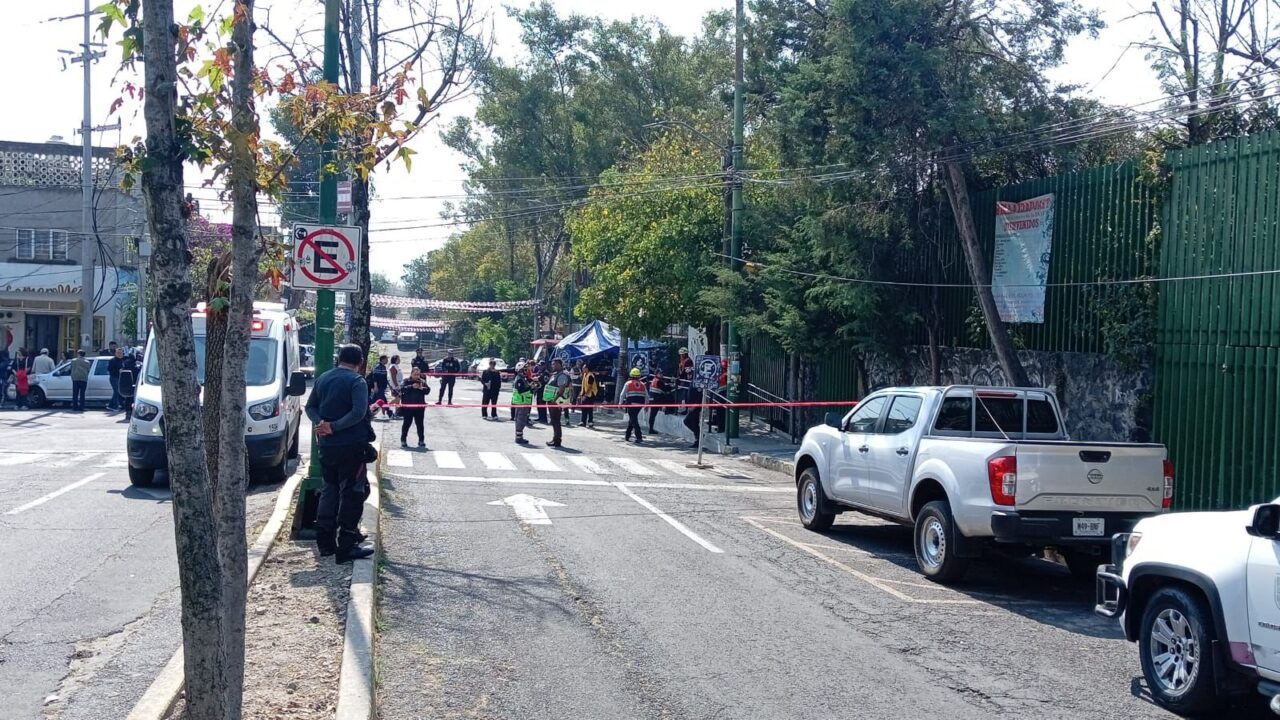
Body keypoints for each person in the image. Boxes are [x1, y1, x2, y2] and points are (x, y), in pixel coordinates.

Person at [305, 344, 375, 563]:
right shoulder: (357, 381)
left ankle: (324, 543)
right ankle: (347, 544)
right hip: (351, 446)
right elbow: (358, 412)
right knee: (353, 493)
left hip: (326, 446)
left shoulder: (323, 378)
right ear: (360, 361)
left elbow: (310, 407)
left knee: (329, 490)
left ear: (339, 358)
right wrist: (334, 426)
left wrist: (322, 424)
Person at [398, 367, 429, 448]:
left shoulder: (422, 381)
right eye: (415, 374)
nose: (416, 376)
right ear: (411, 374)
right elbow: (401, 389)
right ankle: (403, 440)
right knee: (406, 424)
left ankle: (421, 440)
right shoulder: (406, 381)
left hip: (419, 407)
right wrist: (411, 386)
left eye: (418, 374)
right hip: (408, 407)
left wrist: (421, 388)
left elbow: (428, 390)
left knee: (420, 425)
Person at [544, 358, 571, 448]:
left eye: (554, 364)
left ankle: (557, 440)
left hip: (556, 401)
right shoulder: (556, 374)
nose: (553, 366)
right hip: (552, 400)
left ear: (560, 364)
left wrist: (554, 399)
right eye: (552, 364)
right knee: (554, 420)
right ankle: (555, 438)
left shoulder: (562, 375)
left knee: (556, 420)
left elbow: (561, 389)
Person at [511, 362, 534, 444]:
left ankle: (519, 436)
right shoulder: (519, 379)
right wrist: (531, 387)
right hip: (521, 402)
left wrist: (532, 388)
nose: (526, 371)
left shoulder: (523, 378)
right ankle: (519, 438)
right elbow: (521, 391)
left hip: (523, 401)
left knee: (521, 420)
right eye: (525, 369)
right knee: (521, 420)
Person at [623, 367, 647, 443]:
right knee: (632, 419)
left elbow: (622, 394)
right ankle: (627, 435)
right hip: (640, 404)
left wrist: (620, 403)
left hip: (631, 404)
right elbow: (647, 396)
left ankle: (639, 436)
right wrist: (646, 405)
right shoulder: (643, 384)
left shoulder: (628, 383)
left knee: (634, 419)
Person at [648, 368, 671, 434]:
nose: (662, 375)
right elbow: (665, 390)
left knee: (652, 415)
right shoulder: (659, 381)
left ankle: (651, 428)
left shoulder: (654, 380)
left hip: (653, 399)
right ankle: (651, 429)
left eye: (662, 373)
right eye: (660, 373)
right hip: (657, 400)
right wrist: (669, 386)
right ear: (657, 374)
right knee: (653, 415)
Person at [577, 362, 599, 428]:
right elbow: (584, 386)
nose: (582, 369)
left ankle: (590, 422)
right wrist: (581, 394)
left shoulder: (590, 376)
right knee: (584, 408)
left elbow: (589, 386)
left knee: (589, 408)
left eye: (584, 368)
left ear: (587, 368)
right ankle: (583, 421)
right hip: (585, 394)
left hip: (590, 394)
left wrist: (585, 395)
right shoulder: (584, 375)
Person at [107, 347, 125, 411]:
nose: (120, 354)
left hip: (121, 378)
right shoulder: (112, 360)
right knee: (116, 391)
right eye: (118, 353)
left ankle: (121, 405)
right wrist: (118, 370)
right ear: (115, 353)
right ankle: (112, 406)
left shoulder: (123, 360)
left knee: (120, 392)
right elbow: (109, 369)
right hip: (114, 377)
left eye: (121, 353)